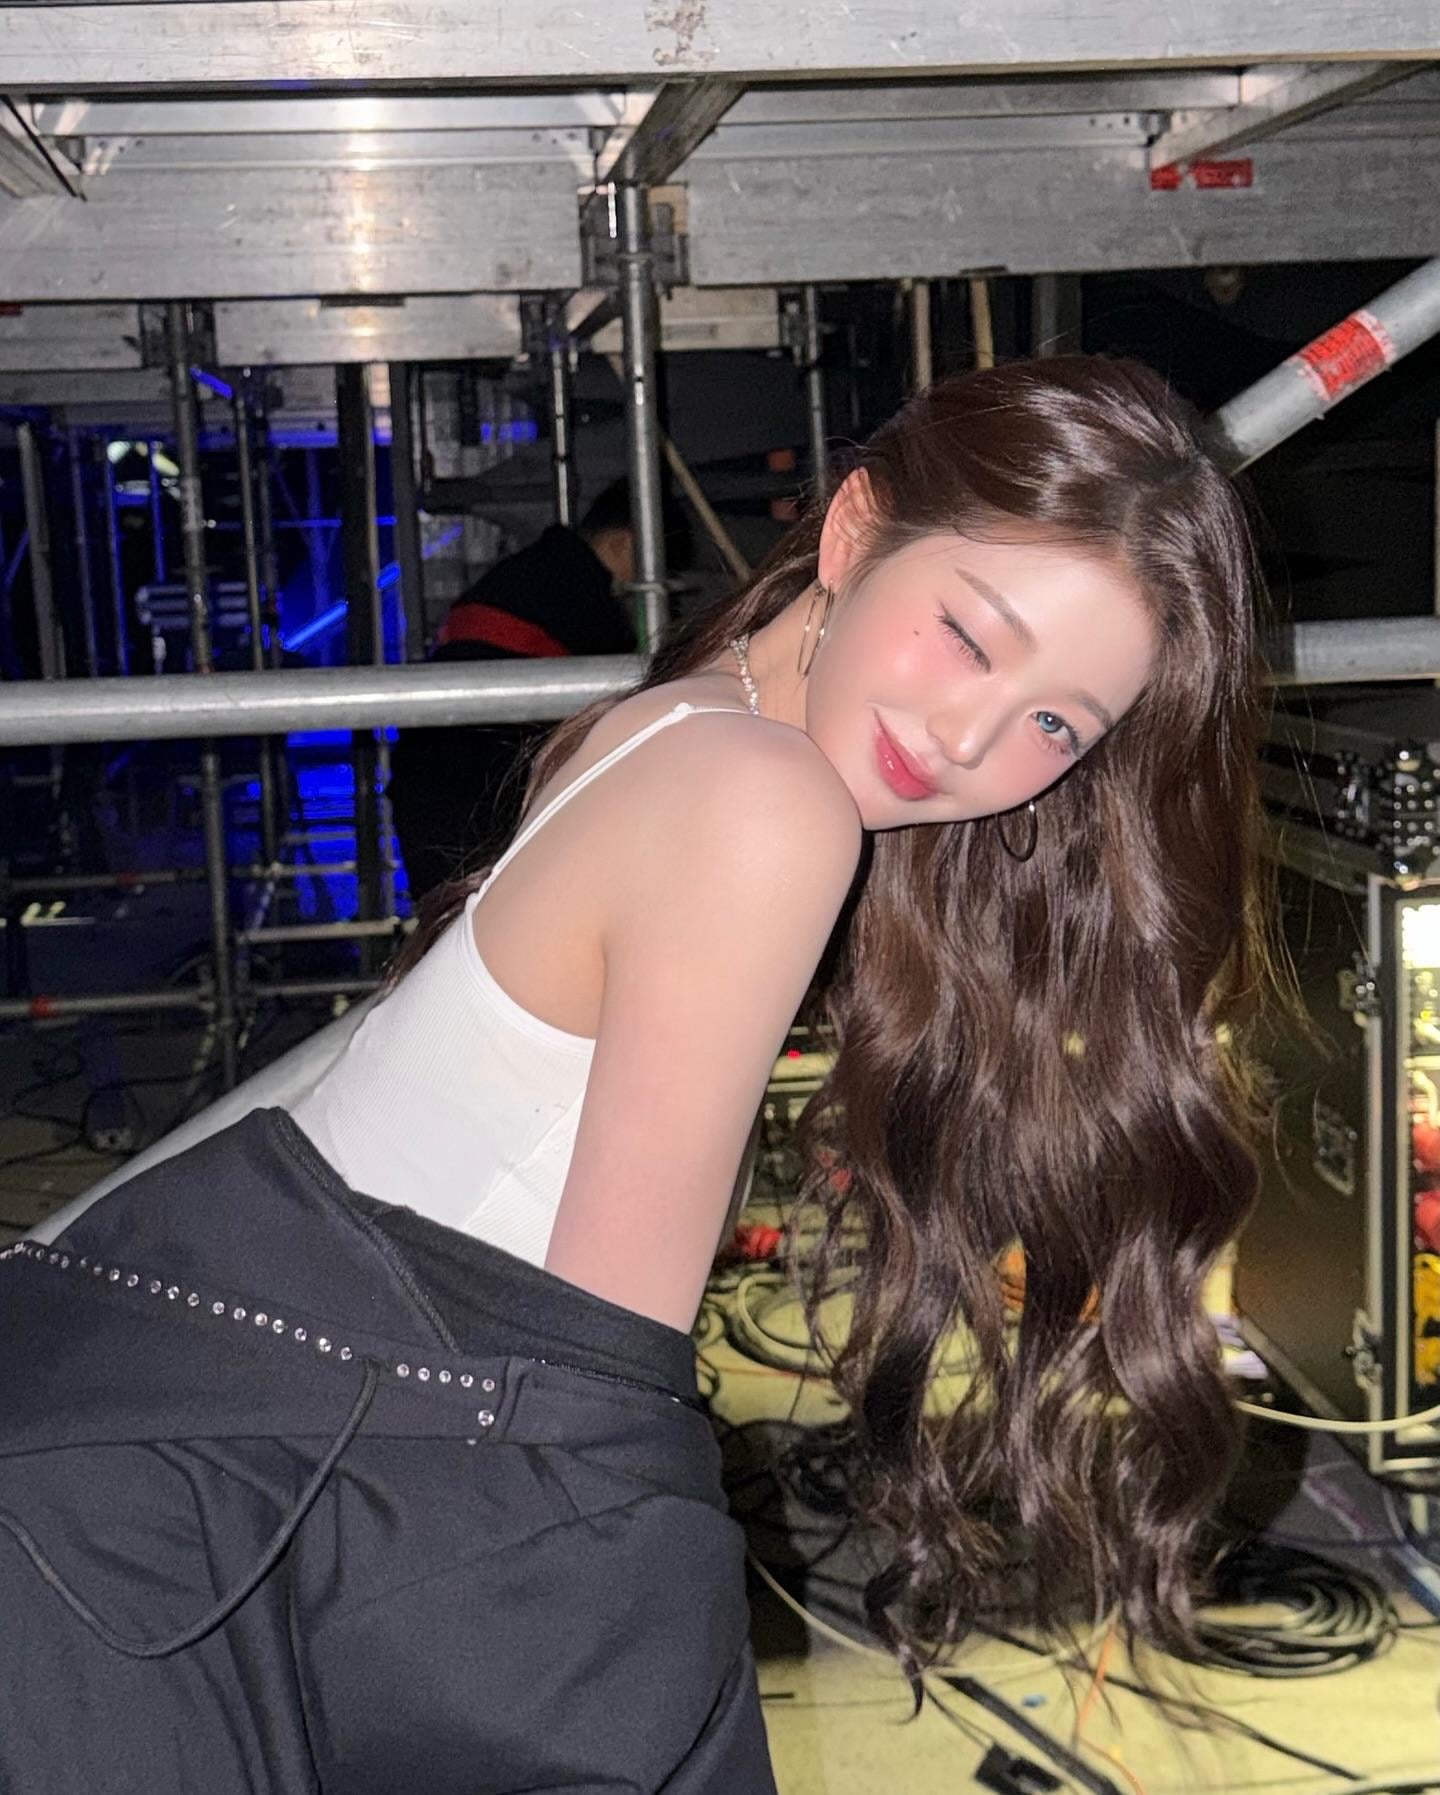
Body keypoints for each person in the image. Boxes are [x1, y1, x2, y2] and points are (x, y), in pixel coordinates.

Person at [0, 355, 1279, 1792]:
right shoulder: (765, 800)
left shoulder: (691, 717)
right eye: (968, 637)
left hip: (168, 1436)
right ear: (855, 528)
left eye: (1057, 724)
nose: (970, 740)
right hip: (166, 1546)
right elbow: (596, 1425)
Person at [388, 478, 691, 902]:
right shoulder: (584, 598)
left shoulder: (542, 571)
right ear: (624, 544)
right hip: (475, 786)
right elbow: (639, 693)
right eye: (655, 568)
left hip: (444, 777)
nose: (649, 589)